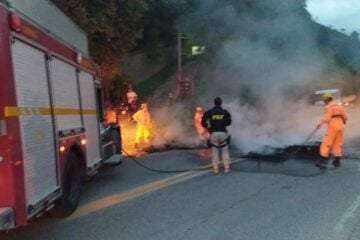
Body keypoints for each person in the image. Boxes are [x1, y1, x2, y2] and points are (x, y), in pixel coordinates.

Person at [316, 93, 349, 168]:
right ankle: (337, 161)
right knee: (337, 143)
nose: (324, 102)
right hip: (341, 126)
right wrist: (342, 121)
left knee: (327, 142)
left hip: (332, 126)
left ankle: (322, 161)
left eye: (324, 100)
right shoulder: (339, 106)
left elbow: (327, 118)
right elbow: (346, 116)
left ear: (326, 100)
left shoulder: (329, 107)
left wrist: (319, 124)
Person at [201, 97, 232, 174]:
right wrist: (223, 123)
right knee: (225, 150)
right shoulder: (225, 112)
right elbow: (229, 122)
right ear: (221, 103)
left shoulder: (210, 112)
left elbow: (203, 121)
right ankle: (226, 168)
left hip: (213, 133)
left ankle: (215, 168)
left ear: (214, 103)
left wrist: (207, 127)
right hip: (223, 133)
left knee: (215, 151)